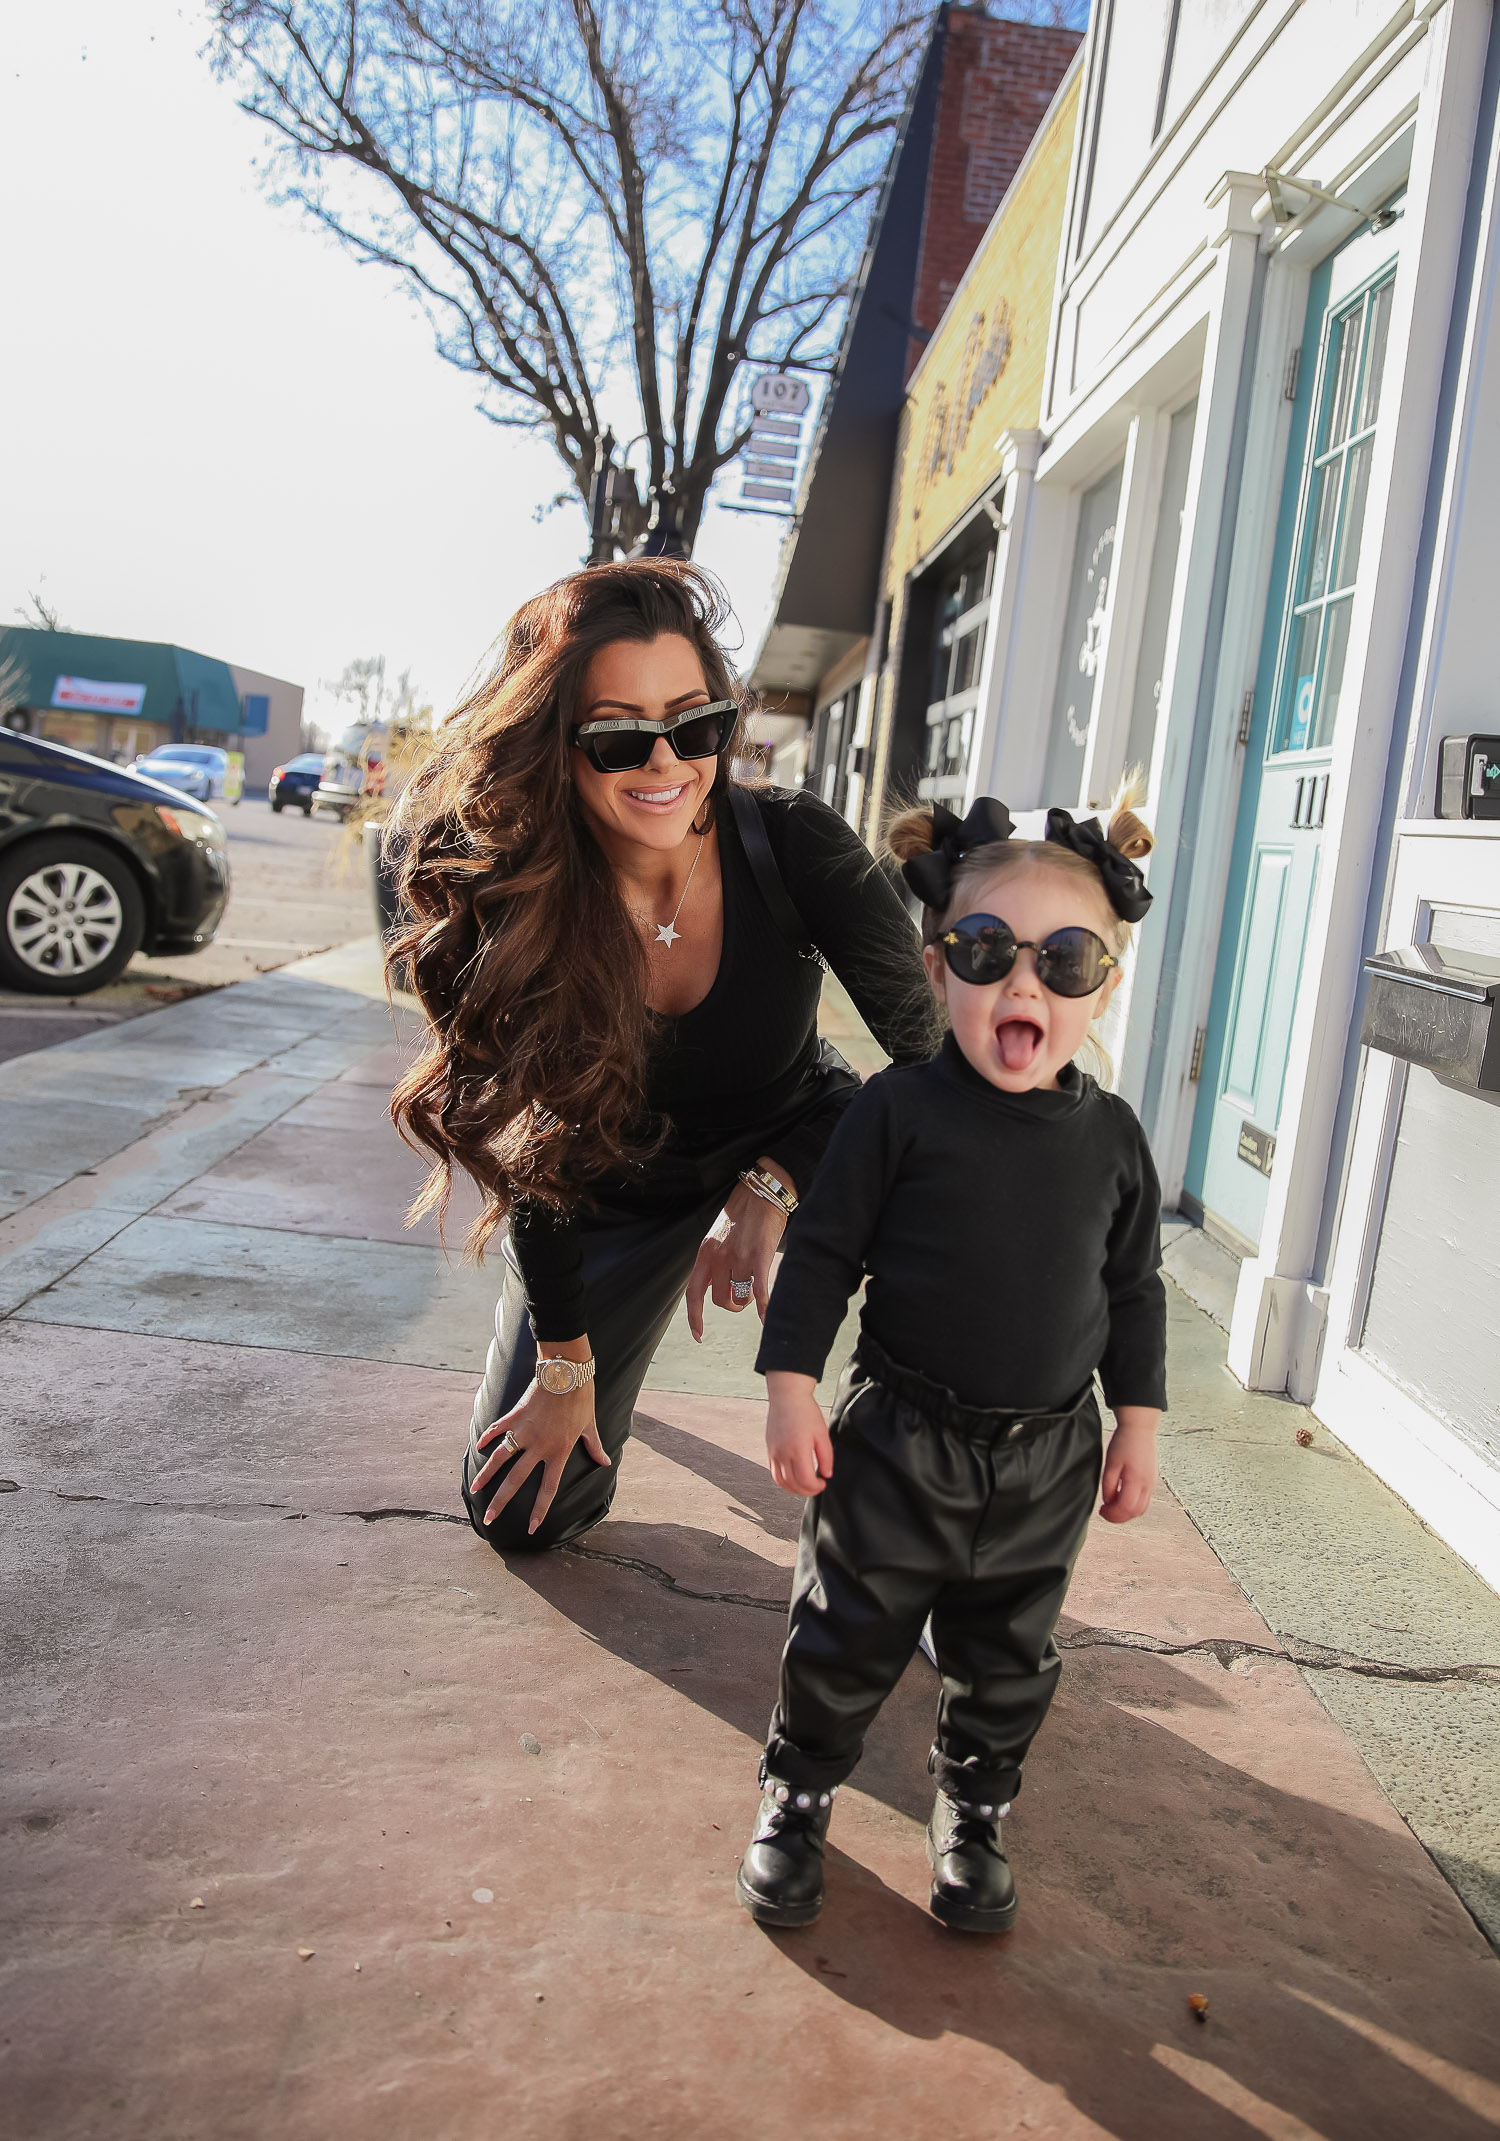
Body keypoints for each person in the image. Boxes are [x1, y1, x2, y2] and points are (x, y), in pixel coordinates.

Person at [387, 561, 934, 1552]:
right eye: (616, 735)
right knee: (521, 1515)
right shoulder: (518, 899)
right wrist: (564, 1361)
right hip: (599, 1180)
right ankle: (604, 1361)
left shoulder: (795, 846)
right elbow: (529, 1156)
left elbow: (930, 1061)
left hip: (787, 1119)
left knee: (958, 1184)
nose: (666, 761)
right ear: (556, 748)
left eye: (696, 724)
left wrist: (778, 1185)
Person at [735, 790, 1167, 1933]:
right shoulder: (897, 1111)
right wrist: (791, 1389)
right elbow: (824, 1255)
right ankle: (799, 1789)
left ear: (1100, 987)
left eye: (1063, 958)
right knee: (845, 1632)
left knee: (1010, 1655)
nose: (1022, 984)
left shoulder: (1115, 1141)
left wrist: (1139, 1423)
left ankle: (974, 1810)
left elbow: (1133, 1292)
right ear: (937, 972)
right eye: (987, 950)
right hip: (897, 1445)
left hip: (1048, 1458)